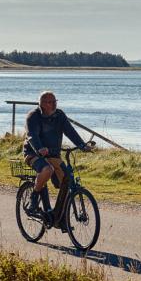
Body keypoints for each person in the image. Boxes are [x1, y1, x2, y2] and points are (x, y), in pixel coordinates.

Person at [22, 91, 90, 225]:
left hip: (53, 154)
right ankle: (34, 197)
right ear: (42, 104)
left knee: (67, 181)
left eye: (55, 101)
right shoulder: (33, 116)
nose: (53, 104)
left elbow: (70, 131)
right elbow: (32, 136)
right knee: (47, 170)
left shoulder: (59, 115)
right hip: (33, 154)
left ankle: (59, 215)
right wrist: (39, 149)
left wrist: (82, 145)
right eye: (50, 102)